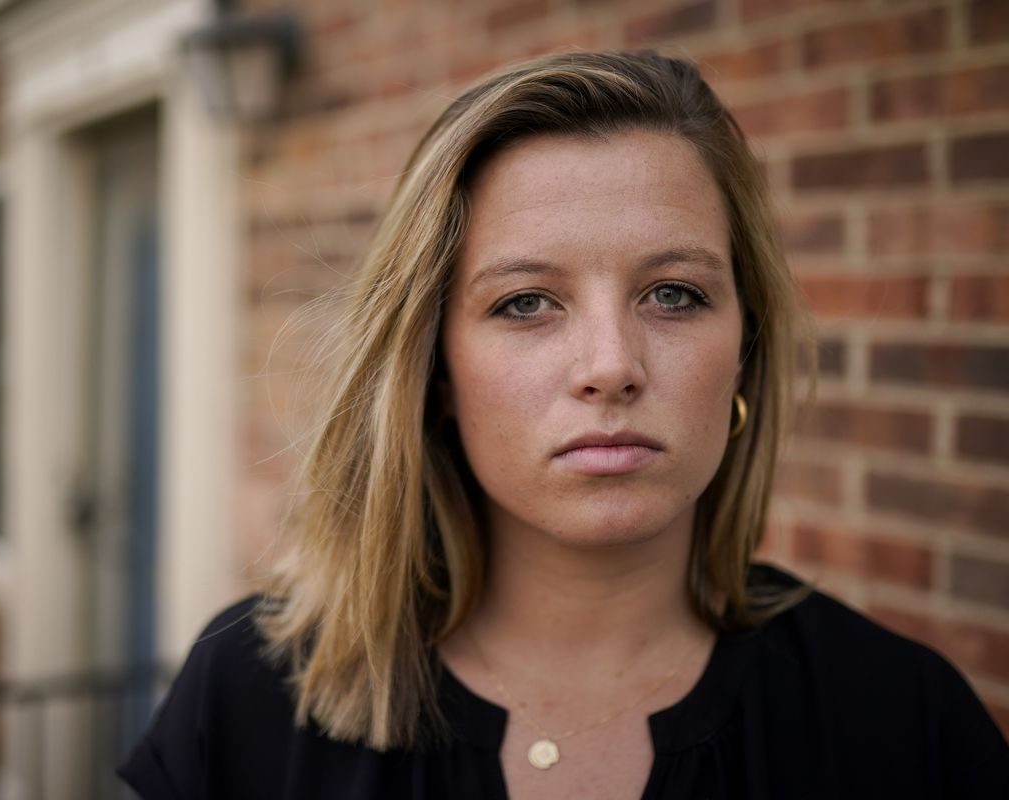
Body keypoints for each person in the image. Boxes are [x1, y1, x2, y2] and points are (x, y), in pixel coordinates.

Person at [119, 51, 1009, 799]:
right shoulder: (247, 698)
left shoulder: (901, 722)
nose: (611, 365)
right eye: (526, 302)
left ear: (745, 350)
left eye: (674, 294)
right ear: (435, 371)